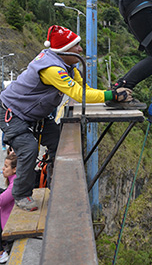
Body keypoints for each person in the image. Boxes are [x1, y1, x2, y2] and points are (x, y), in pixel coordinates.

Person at [0, 26, 132, 211]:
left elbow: (84, 89)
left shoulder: (69, 66)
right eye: (76, 46)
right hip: (12, 113)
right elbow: (78, 94)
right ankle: (22, 195)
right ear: (64, 50)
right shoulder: (51, 69)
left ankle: (56, 184)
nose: (80, 49)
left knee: (59, 141)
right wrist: (110, 96)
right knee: (28, 147)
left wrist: (110, 95)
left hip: (34, 114)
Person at [0, 151, 17, 263]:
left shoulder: (15, 183)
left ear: (14, 169)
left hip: (8, 222)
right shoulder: (15, 179)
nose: (3, 168)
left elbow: (1, 201)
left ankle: (1, 253)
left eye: (6, 166)